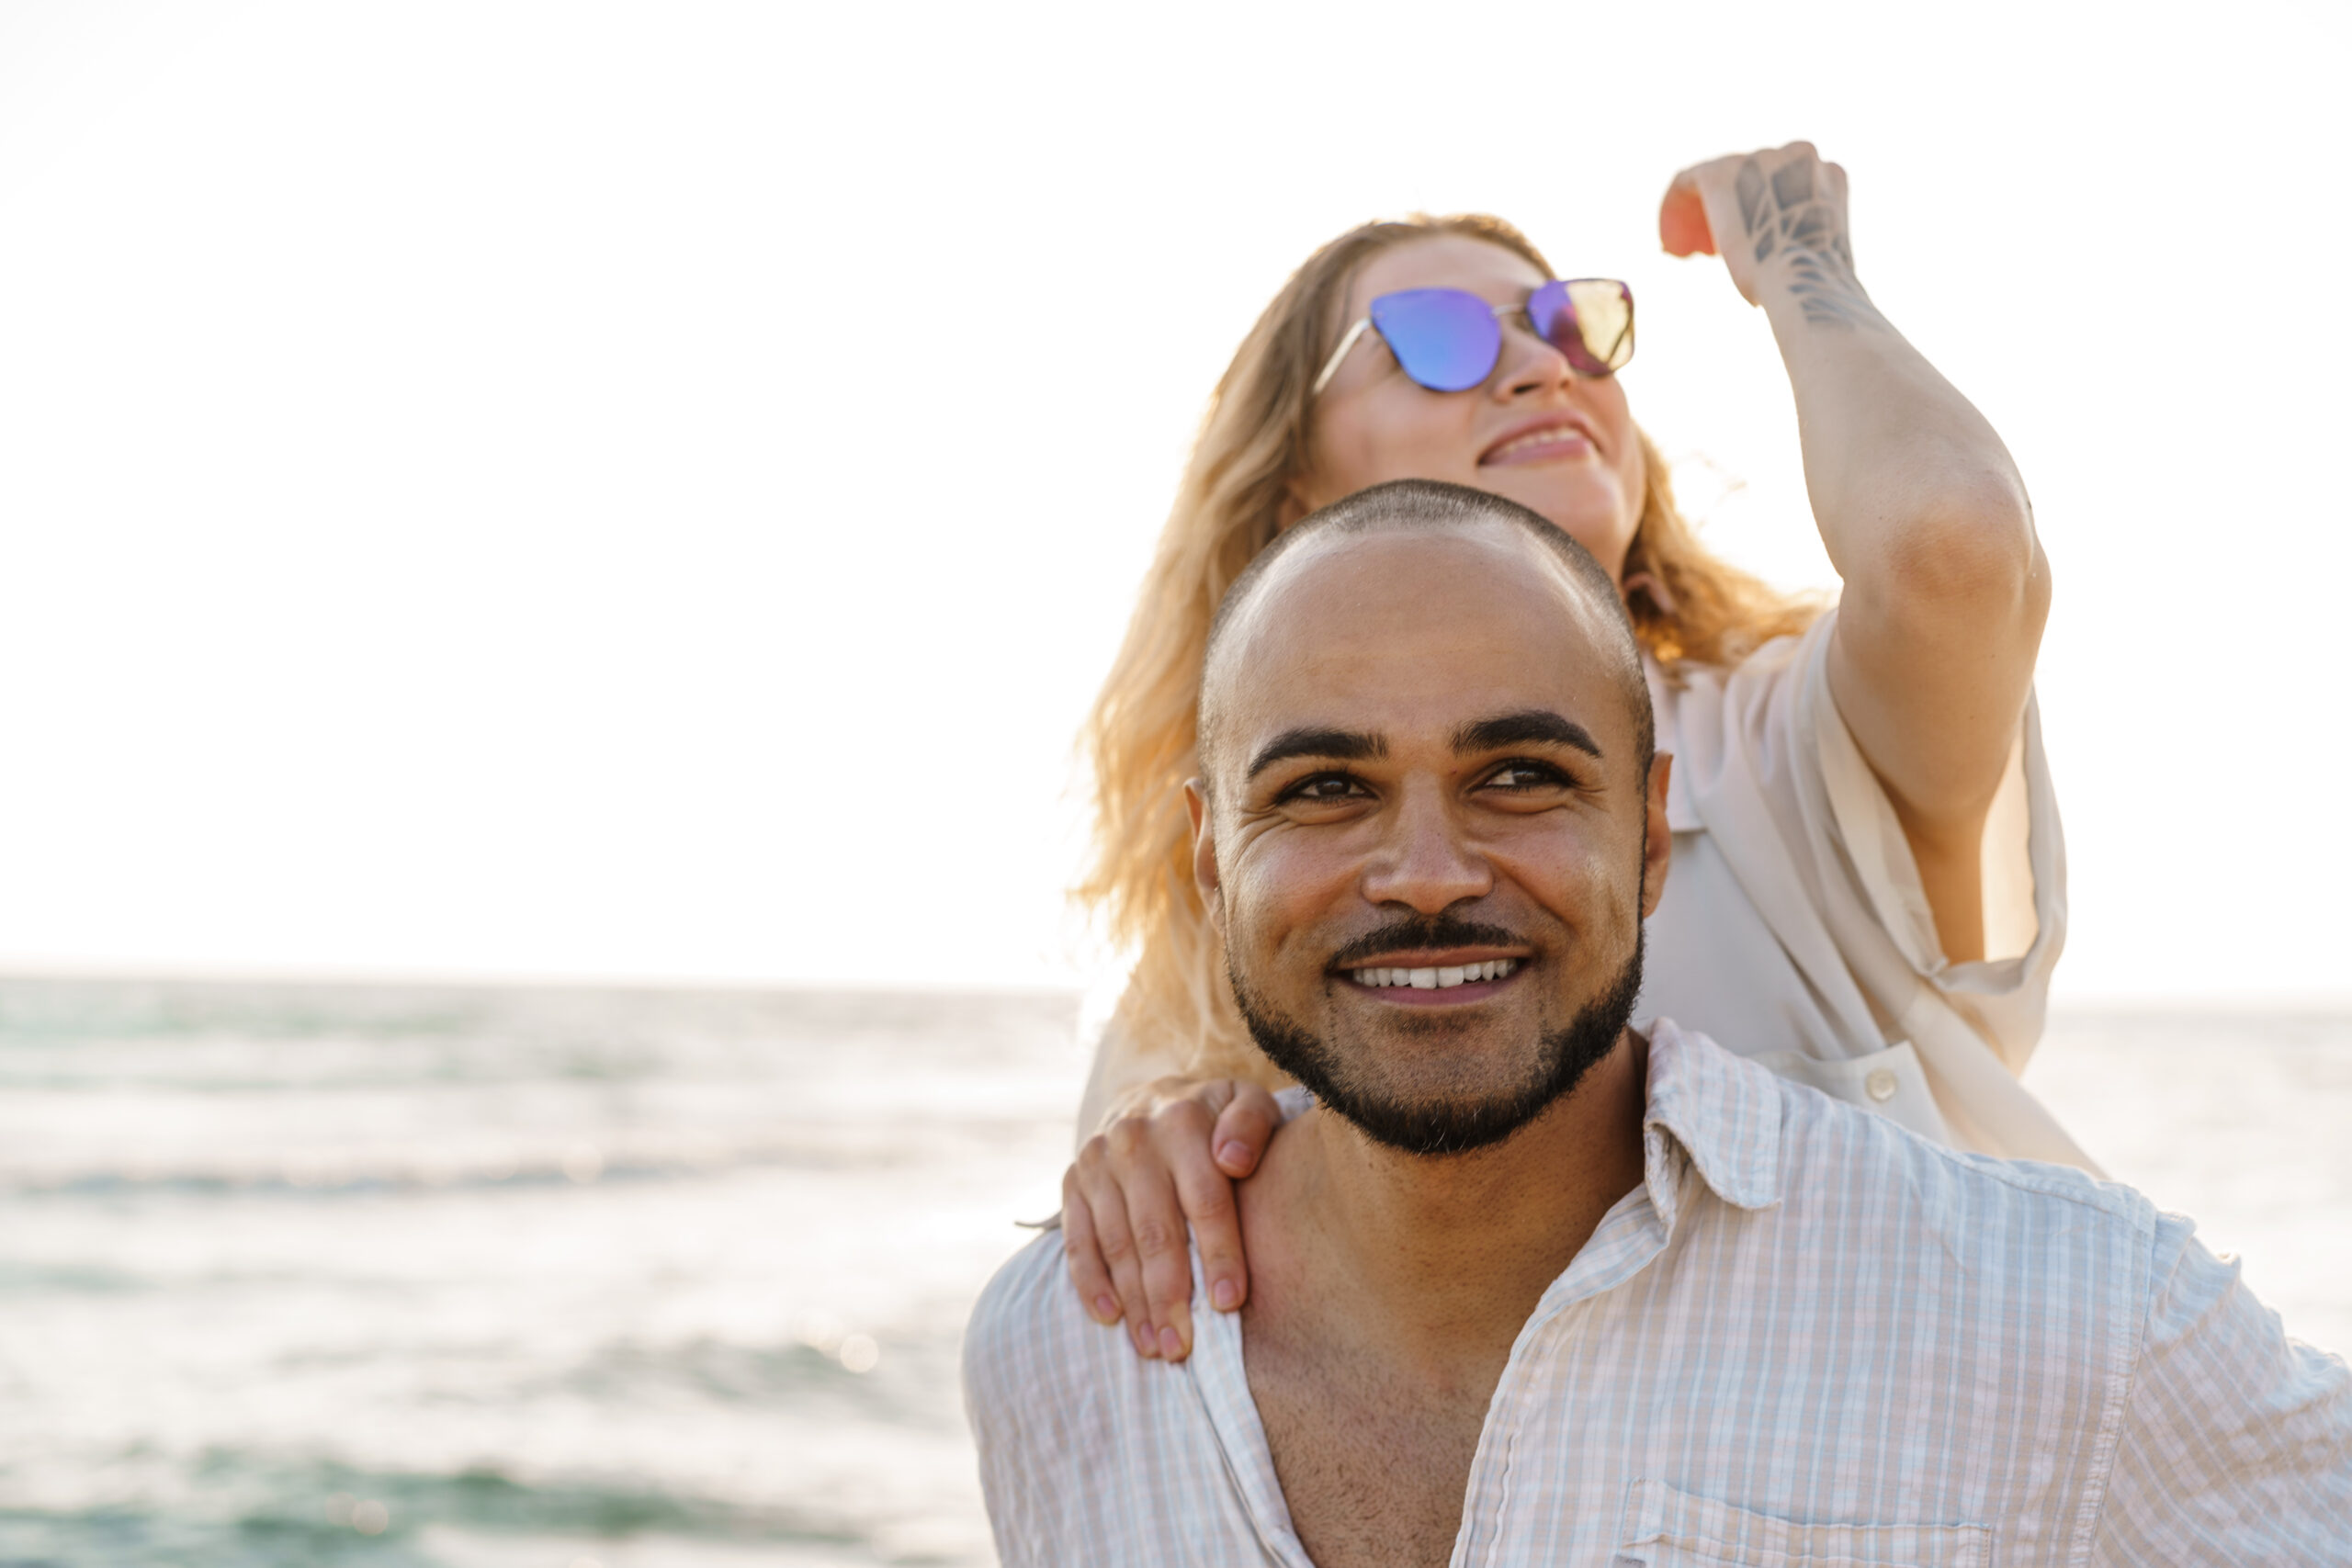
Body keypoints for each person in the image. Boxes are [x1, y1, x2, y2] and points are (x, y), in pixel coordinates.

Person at [965, 482, 2352, 1567]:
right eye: (1327, 788)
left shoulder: (2069, 1320)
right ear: (1212, 861)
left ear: (1647, 838)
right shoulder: (1060, 1351)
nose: (1432, 872)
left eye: (1518, 775)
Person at [1064, 144, 2088, 1363]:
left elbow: (1953, 541)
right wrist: (1151, 1143)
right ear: (1291, 488)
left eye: (1572, 326)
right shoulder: (1233, 911)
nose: (1542, 365)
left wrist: (1798, 255)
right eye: (1440, 336)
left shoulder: (1792, 745)